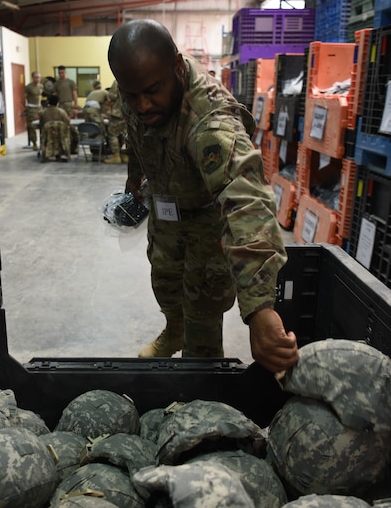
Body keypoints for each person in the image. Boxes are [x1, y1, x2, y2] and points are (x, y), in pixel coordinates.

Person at [107, 19, 298, 374]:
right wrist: (135, 180)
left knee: (203, 309)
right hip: (167, 209)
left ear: (177, 68)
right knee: (165, 281)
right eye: (132, 95)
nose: (143, 104)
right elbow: (136, 135)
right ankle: (174, 331)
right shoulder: (134, 89)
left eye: (152, 91)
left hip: (210, 220)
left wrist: (259, 308)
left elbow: (247, 202)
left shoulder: (211, 121)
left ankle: (201, 373)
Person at [83, 81, 117, 163]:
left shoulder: (95, 93)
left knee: (91, 131)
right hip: (93, 110)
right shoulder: (106, 93)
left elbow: (100, 108)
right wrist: (110, 115)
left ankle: (94, 153)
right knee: (100, 131)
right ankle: (100, 154)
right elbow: (109, 105)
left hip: (86, 109)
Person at [40, 94, 71, 161]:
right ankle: (60, 154)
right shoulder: (62, 111)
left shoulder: (43, 112)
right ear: (57, 102)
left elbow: (41, 124)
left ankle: (45, 154)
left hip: (48, 134)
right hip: (59, 135)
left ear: (48, 102)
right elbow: (67, 123)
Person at [106, 80, 127, 164]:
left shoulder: (119, 79)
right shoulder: (137, 76)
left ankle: (116, 156)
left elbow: (112, 96)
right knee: (127, 134)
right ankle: (126, 156)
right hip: (132, 112)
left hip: (119, 111)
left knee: (112, 133)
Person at [24, 71, 44, 150]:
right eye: (36, 77)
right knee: (32, 126)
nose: (38, 79)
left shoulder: (41, 86)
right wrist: (27, 108)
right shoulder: (28, 87)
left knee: (42, 125)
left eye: (39, 77)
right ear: (33, 78)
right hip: (31, 107)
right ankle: (34, 143)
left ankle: (42, 143)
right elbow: (24, 98)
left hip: (39, 107)